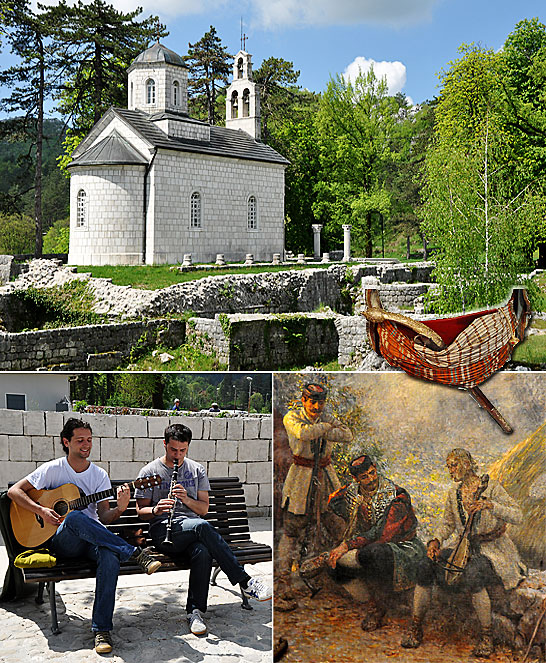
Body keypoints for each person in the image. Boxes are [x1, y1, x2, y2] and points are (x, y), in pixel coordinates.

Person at [7, 418, 161, 655]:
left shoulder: (99, 475)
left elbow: (104, 517)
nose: (86, 445)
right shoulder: (53, 469)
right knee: (75, 517)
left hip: (93, 540)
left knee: (109, 556)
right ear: (66, 442)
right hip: (63, 542)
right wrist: (41, 510)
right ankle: (134, 553)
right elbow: (13, 491)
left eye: (89, 440)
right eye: (80, 440)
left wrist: (119, 508)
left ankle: (101, 630)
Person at [135, 423, 272, 636]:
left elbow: (204, 509)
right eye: (173, 450)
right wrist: (156, 508)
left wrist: (185, 499)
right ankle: (244, 581)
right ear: (164, 444)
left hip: (193, 530)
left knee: (202, 550)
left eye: (182, 450)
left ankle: (195, 611)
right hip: (164, 531)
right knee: (201, 526)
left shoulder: (196, 470)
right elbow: (140, 510)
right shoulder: (150, 471)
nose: (177, 455)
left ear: (188, 447)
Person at [401, 448, 526, 658]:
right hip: (462, 548)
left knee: (473, 573)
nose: (451, 470)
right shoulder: (453, 493)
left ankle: (487, 636)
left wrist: (490, 505)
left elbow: (518, 515)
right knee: (425, 564)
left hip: (493, 550)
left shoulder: (491, 487)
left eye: (454, 465)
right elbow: (448, 524)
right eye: (449, 466)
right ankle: (416, 626)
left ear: (467, 464)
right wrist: (436, 541)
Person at [320, 454, 426, 630]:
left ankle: (378, 608)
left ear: (375, 468)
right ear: (355, 479)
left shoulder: (397, 495)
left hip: (404, 549)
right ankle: (371, 600)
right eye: (364, 477)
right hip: (368, 544)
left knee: (373, 553)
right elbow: (332, 501)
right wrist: (352, 502)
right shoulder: (354, 491)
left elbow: (382, 534)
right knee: (333, 563)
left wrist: (347, 545)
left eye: (372, 473)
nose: (370, 479)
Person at [276, 383, 352, 608]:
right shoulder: (292, 417)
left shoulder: (325, 418)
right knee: (291, 532)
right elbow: (303, 433)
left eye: (320, 402)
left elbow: (347, 435)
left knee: (339, 527)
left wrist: (325, 426)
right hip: (301, 480)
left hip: (326, 480)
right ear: (304, 400)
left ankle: (345, 580)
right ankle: (283, 585)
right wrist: (328, 427)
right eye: (312, 401)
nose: (317, 407)